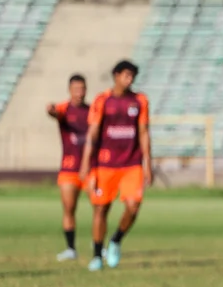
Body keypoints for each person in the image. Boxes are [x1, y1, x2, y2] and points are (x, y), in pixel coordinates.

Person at [79, 61, 151, 271]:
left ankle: (116, 240)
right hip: (105, 164)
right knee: (100, 209)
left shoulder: (140, 100)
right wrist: (86, 163)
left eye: (132, 76)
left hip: (132, 163)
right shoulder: (103, 100)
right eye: (126, 75)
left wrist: (148, 164)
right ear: (116, 75)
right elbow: (92, 133)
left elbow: (144, 132)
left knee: (133, 206)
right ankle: (96, 256)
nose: (129, 80)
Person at [47, 74, 91, 262]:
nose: (79, 93)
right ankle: (71, 248)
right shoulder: (64, 109)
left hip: (90, 169)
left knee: (100, 207)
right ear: (69, 90)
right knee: (69, 208)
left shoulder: (92, 111)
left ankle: (99, 245)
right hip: (69, 168)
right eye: (76, 89)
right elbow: (55, 113)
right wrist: (50, 110)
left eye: (82, 89)